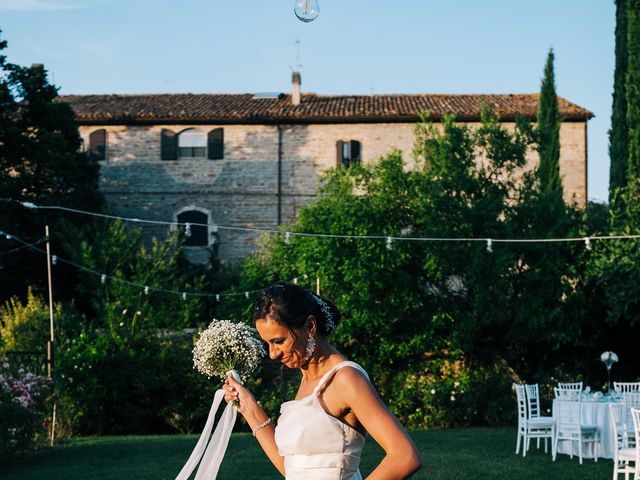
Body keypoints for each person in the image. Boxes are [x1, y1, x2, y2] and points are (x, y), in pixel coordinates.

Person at [224, 281, 422, 480]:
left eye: (279, 341)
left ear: (310, 326)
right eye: (267, 343)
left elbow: (404, 456)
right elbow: (292, 469)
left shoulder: (346, 378)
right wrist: (248, 407)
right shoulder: (306, 381)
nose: (273, 354)